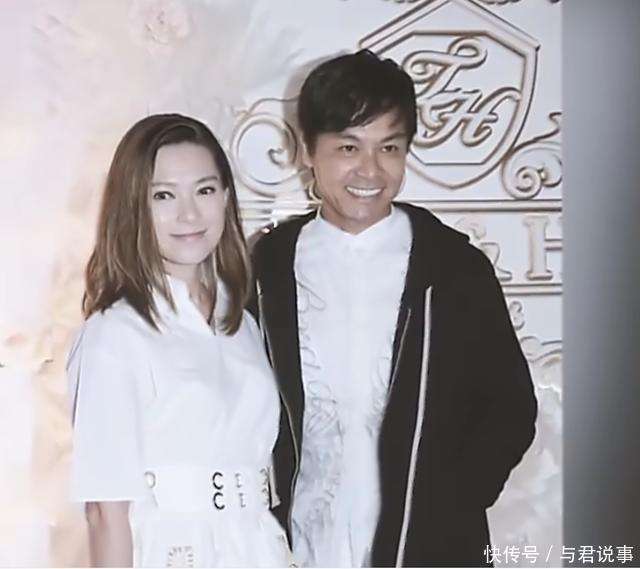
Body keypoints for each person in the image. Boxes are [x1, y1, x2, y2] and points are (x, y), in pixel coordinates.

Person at [250, 50, 538, 567]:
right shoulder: (267, 267)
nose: (370, 169)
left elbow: (511, 406)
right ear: (308, 151)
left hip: (428, 548)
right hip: (302, 544)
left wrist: (453, 501)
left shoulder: (452, 266)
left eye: (389, 147)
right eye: (348, 147)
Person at [67, 114, 293, 567]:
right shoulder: (115, 333)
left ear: (226, 197)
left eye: (204, 191)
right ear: (133, 208)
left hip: (258, 546)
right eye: (163, 196)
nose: (189, 215)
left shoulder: (243, 322)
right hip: (171, 549)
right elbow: (106, 513)